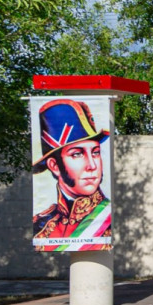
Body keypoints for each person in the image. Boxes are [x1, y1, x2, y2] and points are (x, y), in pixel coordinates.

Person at [32, 99, 112, 252]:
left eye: (95, 153)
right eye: (77, 154)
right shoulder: (40, 226)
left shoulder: (110, 217)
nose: (92, 166)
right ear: (54, 166)